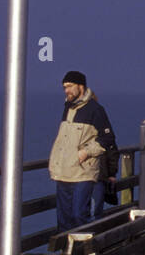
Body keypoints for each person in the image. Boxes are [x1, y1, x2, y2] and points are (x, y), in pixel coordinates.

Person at [48, 70, 116, 232]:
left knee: (80, 215)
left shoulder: (95, 110)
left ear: (81, 86)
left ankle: (88, 253)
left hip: (84, 172)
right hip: (63, 171)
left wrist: (85, 152)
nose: (67, 90)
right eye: (64, 87)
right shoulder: (68, 108)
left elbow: (107, 139)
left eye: (70, 86)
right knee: (64, 219)